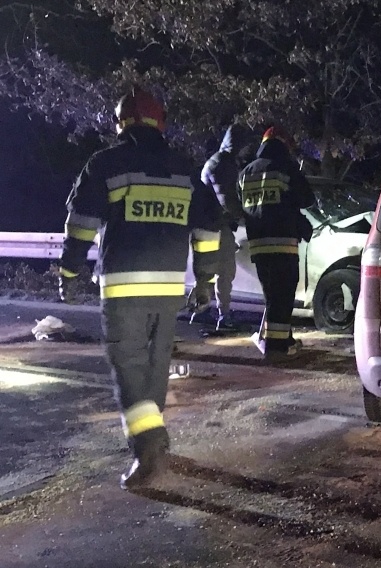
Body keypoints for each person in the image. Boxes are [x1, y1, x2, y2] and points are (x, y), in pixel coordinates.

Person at [58, 87, 221, 490]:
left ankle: (148, 446)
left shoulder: (108, 164)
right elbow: (207, 229)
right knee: (154, 367)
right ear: (160, 122)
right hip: (168, 290)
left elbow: (81, 223)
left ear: (122, 123)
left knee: (129, 366)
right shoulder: (185, 169)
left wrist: (69, 272)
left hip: (123, 289)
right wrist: (205, 280)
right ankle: (154, 441)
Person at [237, 125, 315, 357]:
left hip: (259, 245)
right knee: (282, 297)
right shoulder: (286, 167)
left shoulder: (245, 173)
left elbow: (240, 205)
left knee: (273, 297)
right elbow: (307, 199)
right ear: (282, 143)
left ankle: (282, 340)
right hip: (283, 242)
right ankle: (277, 348)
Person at [198, 124, 252, 330]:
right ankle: (219, 314)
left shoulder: (220, 161)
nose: (248, 150)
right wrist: (245, 217)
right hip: (215, 226)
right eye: (246, 145)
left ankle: (205, 311)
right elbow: (227, 200)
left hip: (209, 226)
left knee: (212, 271)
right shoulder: (223, 163)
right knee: (222, 271)